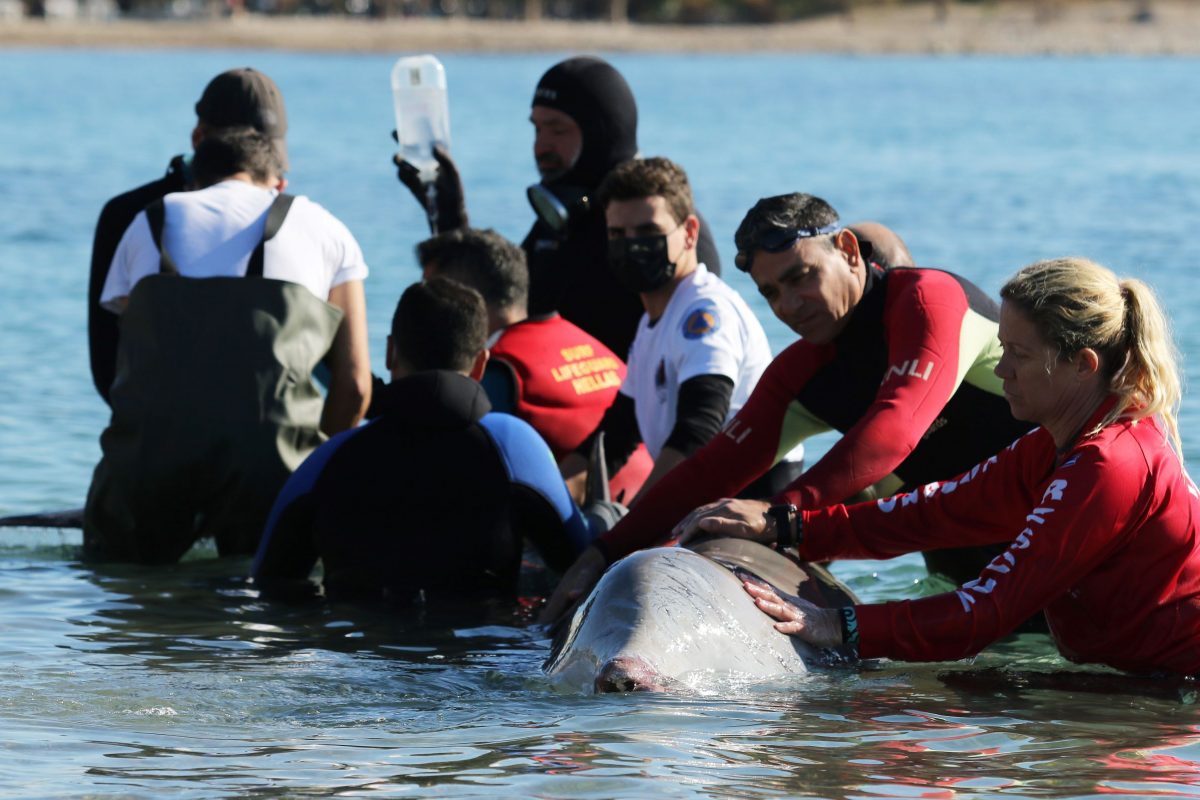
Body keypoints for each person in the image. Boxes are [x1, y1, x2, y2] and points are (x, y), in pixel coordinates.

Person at [541, 192, 1032, 621]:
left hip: (1058, 525)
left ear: (847, 251)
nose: (789, 305)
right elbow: (709, 470)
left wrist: (778, 516)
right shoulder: (804, 369)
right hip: (965, 566)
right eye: (771, 292)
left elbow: (893, 430)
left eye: (801, 277)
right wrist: (604, 552)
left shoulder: (926, 301)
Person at [740, 258, 1200, 677]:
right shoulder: (1056, 443)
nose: (1001, 372)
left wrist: (835, 624)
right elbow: (937, 511)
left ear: (1082, 365)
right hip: (1140, 675)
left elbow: (986, 611)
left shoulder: (1108, 466)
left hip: (1177, 684)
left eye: (1019, 355)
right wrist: (792, 527)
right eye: (1002, 349)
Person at [83, 127, 371, 564]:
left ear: (193, 183)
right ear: (279, 184)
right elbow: (355, 386)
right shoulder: (326, 228)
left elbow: (132, 362)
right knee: (271, 604)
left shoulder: (150, 220)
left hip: (150, 462)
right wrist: (312, 476)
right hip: (272, 466)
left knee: (130, 601)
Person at [252, 278, 597, 606]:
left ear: (390, 354)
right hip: (482, 651)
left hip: (361, 654)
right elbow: (583, 563)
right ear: (480, 365)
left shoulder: (328, 459)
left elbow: (268, 580)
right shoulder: (513, 445)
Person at [396, 55, 721, 360]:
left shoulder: (666, 233)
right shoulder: (559, 223)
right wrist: (449, 218)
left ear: (599, 134)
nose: (541, 146)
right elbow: (486, 315)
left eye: (557, 130)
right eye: (537, 129)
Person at [558, 157, 803, 506]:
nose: (632, 245)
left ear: (689, 232)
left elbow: (697, 433)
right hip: (705, 499)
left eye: (648, 232)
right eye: (618, 234)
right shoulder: (650, 325)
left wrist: (631, 527)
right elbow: (614, 438)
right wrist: (546, 499)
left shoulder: (705, 313)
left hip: (756, 501)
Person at [88, 66, 289, 405]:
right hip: (260, 435)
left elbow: (107, 368)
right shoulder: (129, 215)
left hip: (154, 432)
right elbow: (107, 363)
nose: (275, 182)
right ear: (197, 139)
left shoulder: (125, 213)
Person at [413, 227, 654, 502]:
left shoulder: (498, 370)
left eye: (430, 297)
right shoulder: (585, 341)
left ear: (462, 302)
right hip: (654, 507)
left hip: (599, 527)